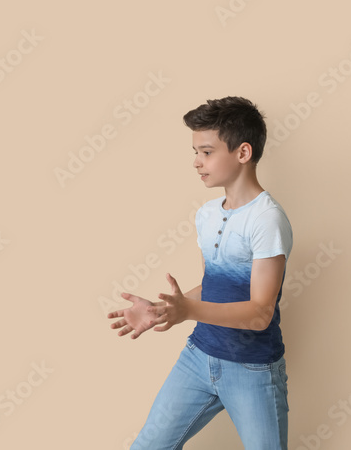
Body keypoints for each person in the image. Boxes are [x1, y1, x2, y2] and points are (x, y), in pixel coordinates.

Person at [108, 96, 292, 449]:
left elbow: (259, 314)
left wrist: (188, 311)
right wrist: (167, 309)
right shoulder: (207, 214)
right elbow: (215, 286)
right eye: (195, 152)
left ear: (242, 153)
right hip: (199, 357)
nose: (196, 162)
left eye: (206, 152)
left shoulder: (267, 219)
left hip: (252, 369)